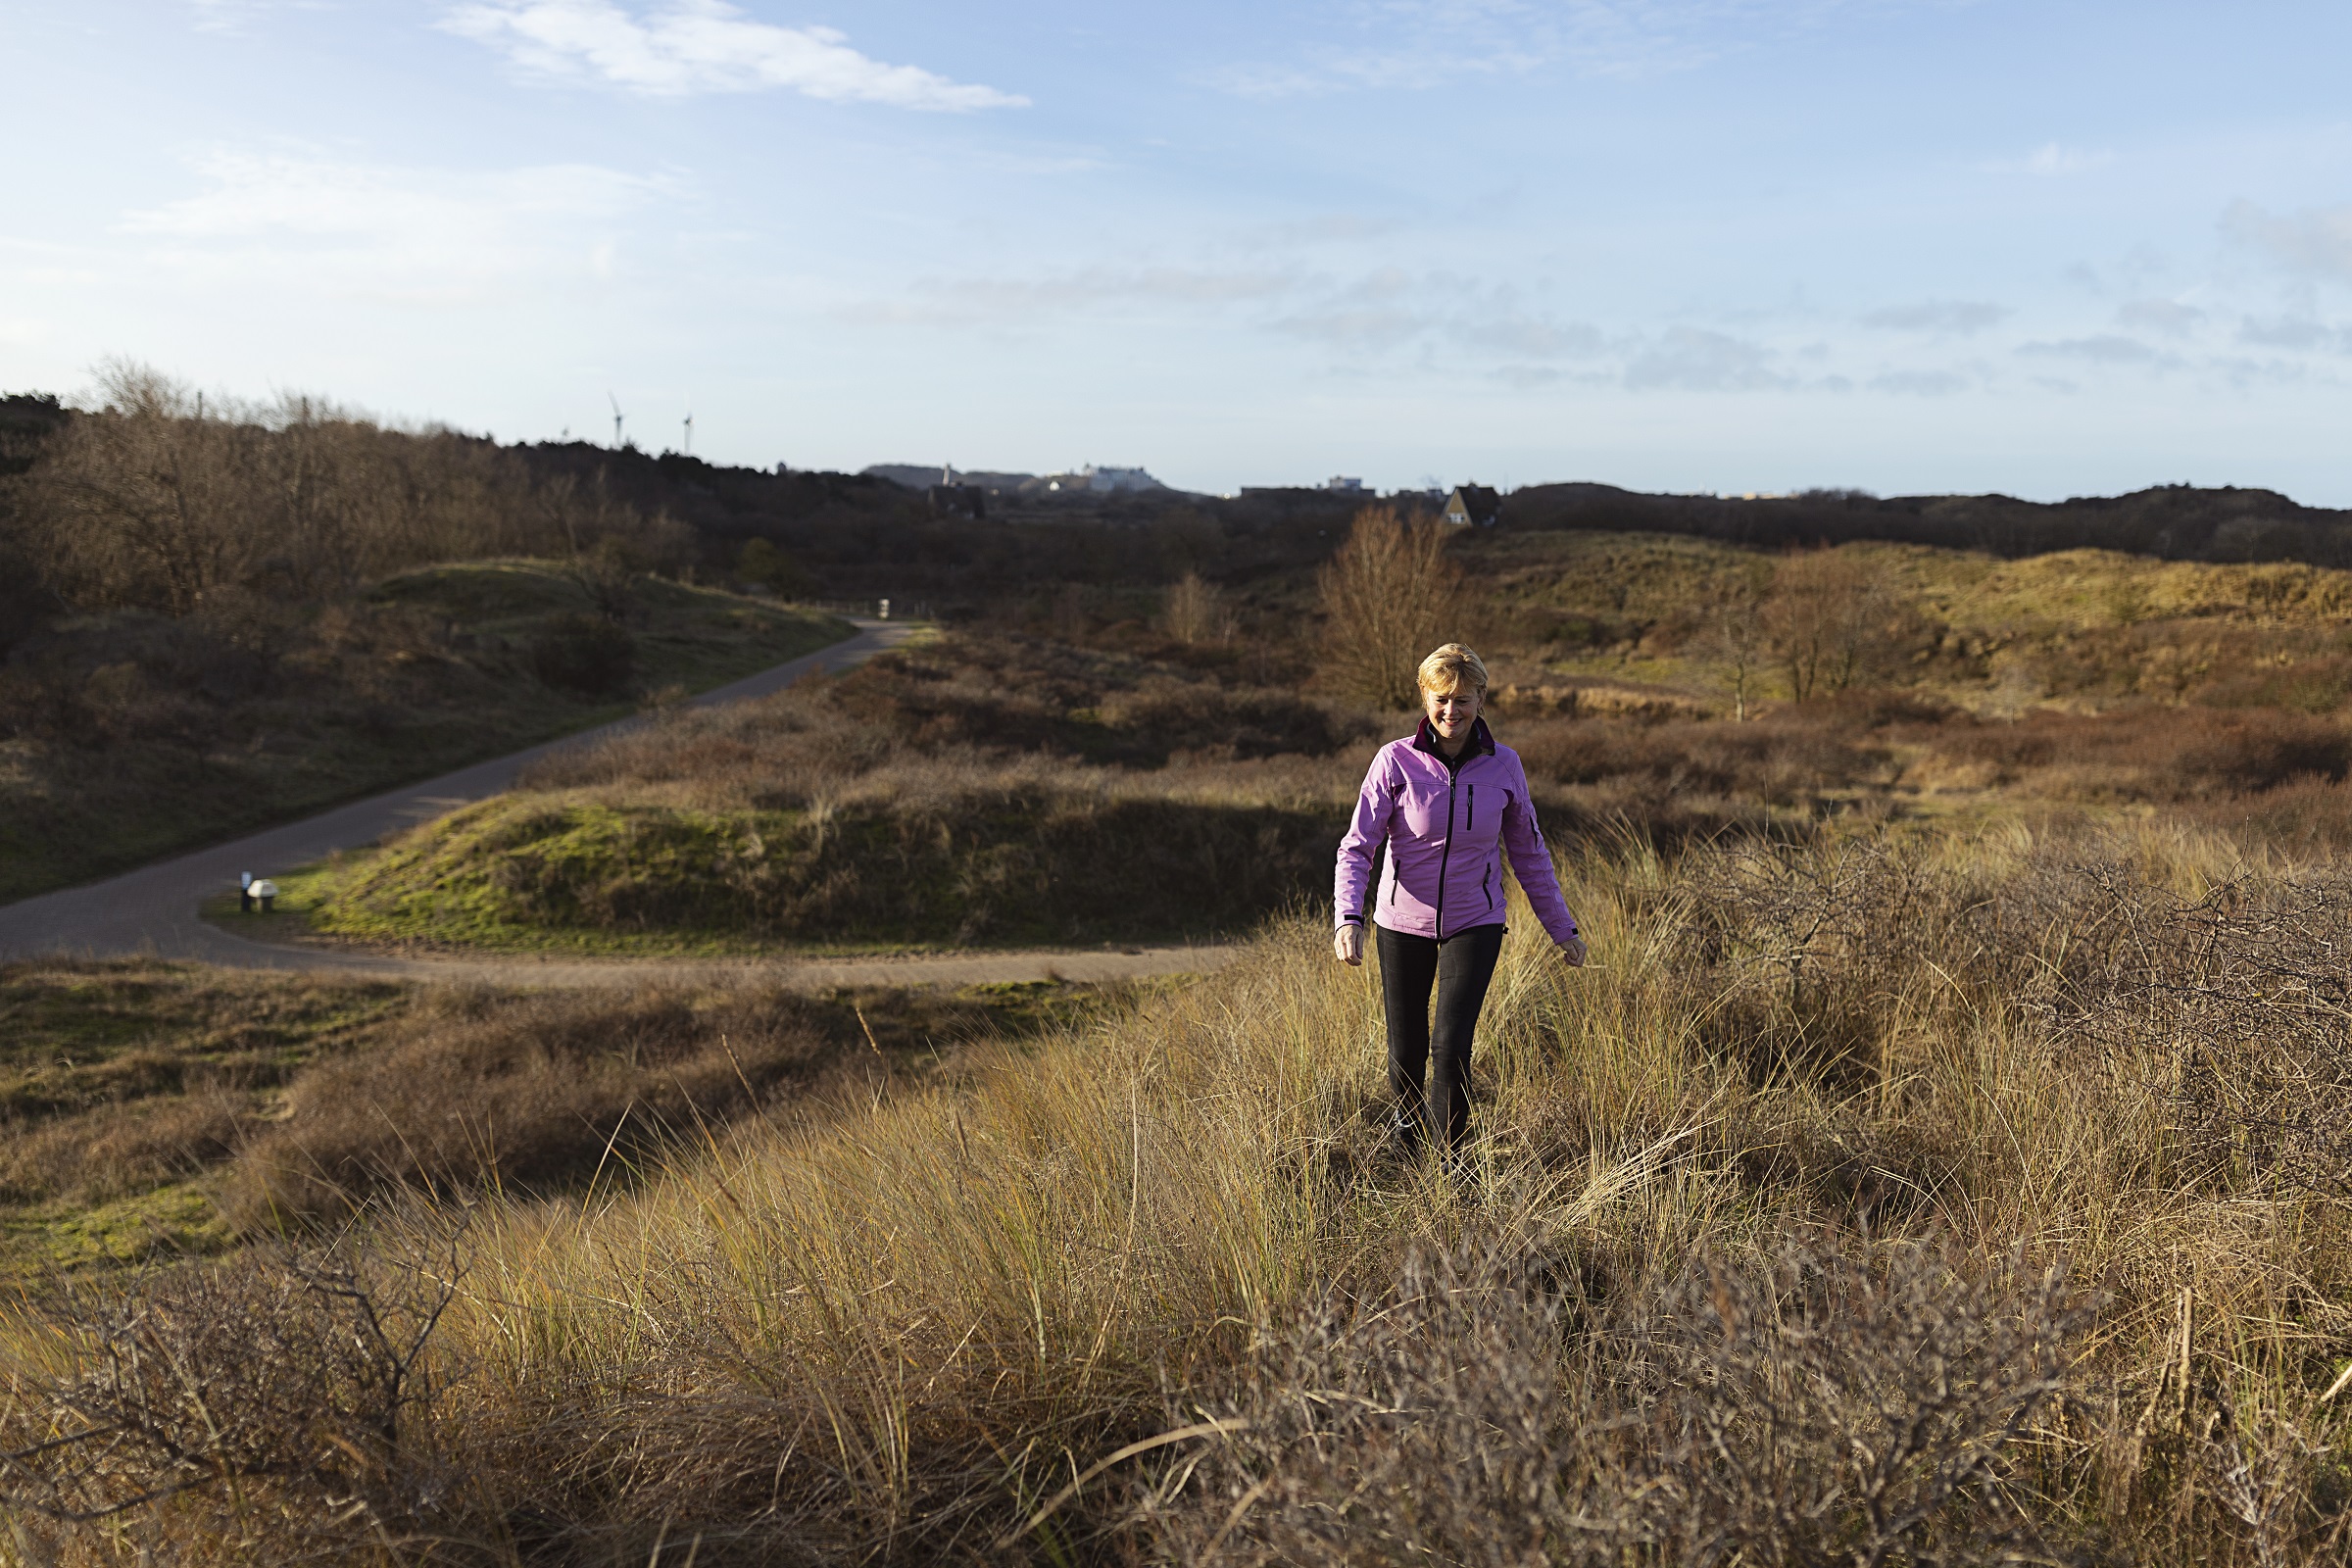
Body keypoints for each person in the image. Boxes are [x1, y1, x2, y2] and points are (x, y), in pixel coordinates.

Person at [1334, 643, 1586, 1160]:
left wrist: (1563, 929)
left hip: (1477, 919)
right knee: (1405, 1053)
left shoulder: (1504, 766)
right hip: (1402, 921)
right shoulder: (1395, 761)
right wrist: (1348, 917)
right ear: (1425, 698)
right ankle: (1410, 1158)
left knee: (1450, 1048)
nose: (1452, 711)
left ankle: (1449, 1170)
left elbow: (1530, 854)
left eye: (1463, 699)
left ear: (1481, 699)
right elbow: (1357, 846)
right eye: (1441, 698)